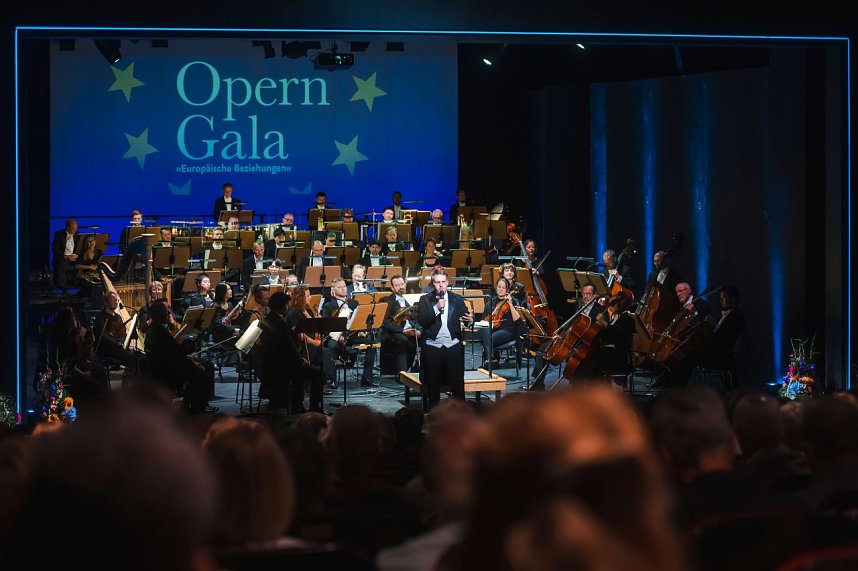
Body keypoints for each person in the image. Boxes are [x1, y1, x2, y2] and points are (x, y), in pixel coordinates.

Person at [258, 291, 326, 413]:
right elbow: (288, 347)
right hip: (283, 366)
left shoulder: (268, 319)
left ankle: (297, 405)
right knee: (318, 374)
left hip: (273, 364)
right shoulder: (280, 323)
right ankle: (314, 408)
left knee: (303, 371)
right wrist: (301, 360)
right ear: (282, 305)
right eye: (286, 304)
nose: (288, 306)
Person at [145, 299, 216, 413]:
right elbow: (175, 352)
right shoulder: (160, 332)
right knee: (203, 378)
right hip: (168, 370)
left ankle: (188, 406)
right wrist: (189, 353)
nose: (168, 314)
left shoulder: (154, 329)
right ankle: (196, 410)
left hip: (164, 366)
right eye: (165, 312)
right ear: (160, 314)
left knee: (200, 372)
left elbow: (172, 351)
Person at [417, 268, 473, 409]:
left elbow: (465, 316)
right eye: (437, 282)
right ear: (433, 283)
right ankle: (434, 416)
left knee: (457, 385)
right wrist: (436, 307)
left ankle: (461, 415)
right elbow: (422, 320)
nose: (440, 285)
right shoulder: (425, 300)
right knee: (433, 387)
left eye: (443, 282)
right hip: (433, 346)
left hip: (452, 345)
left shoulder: (457, 299)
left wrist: (470, 320)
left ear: (447, 282)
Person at [321, 277, 377, 387]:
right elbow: (326, 328)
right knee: (331, 345)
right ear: (333, 290)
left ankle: (366, 378)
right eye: (339, 287)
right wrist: (337, 336)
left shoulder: (354, 303)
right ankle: (331, 380)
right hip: (336, 338)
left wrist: (361, 331)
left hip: (352, 335)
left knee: (371, 341)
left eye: (344, 286)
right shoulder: (328, 306)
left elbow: (360, 321)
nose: (343, 289)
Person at [381, 274, 421, 374]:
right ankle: (402, 374)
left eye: (402, 284)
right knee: (403, 340)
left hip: (411, 329)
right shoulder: (387, 301)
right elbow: (385, 323)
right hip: (395, 331)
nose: (401, 287)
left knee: (428, 336)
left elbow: (419, 318)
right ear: (392, 288)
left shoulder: (413, 299)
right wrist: (403, 331)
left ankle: (420, 370)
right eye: (397, 285)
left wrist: (419, 330)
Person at [479, 277, 521, 368]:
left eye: (503, 288)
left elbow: (517, 320)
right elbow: (484, 320)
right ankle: (492, 359)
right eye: (499, 287)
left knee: (489, 338)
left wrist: (510, 304)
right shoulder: (491, 302)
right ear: (496, 287)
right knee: (484, 332)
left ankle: (490, 359)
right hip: (493, 329)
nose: (501, 289)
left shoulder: (513, 301)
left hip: (507, 330)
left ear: (507, 290)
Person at [92, 290, 134, 368]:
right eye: (112, 300)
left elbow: (122, 333)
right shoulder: (100, 317)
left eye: (117, 300)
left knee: (136, 354)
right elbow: (102, 337)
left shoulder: (118, 317)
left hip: (117, 347)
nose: (116, 302)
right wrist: (116, 344)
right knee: (130, 357)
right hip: (106, 349)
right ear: (106, 302)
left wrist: (122, 342)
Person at [51, 218, 78, 288]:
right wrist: (65, 257)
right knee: (62, 265)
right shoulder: (59, 234)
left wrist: (76, 255)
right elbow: (55, 249)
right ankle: (62, 288)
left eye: (76, 228)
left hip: (75, 257)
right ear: (67, 228)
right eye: (73, 228)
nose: (75, 230)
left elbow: (80, 248)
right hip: (63, 257)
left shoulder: (77, 234)